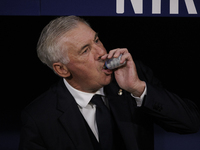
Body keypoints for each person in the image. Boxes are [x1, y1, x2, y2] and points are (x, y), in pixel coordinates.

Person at [19, 16, 200, 150]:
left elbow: (191, 123)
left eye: (97, 40)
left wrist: (138, 88)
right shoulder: (39, 117)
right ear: (62, 70)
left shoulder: (135, 76)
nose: (101, 52)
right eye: (85, 50)